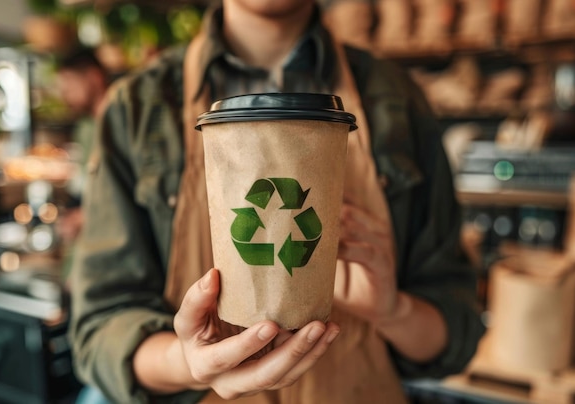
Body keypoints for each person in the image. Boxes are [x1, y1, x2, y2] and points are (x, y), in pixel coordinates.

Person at [69, 1, 486, 403]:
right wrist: (188, 361)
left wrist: (394, 310)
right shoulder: (137, 107)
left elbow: (458, 327)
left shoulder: (397, 98)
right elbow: (100, 329)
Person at [54, 48, 109, 249]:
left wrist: (86, 216)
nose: (64, 94)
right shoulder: (85, 129)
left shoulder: (123, 121)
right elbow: (81, 186)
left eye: (69, 84)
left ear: (94, 77)